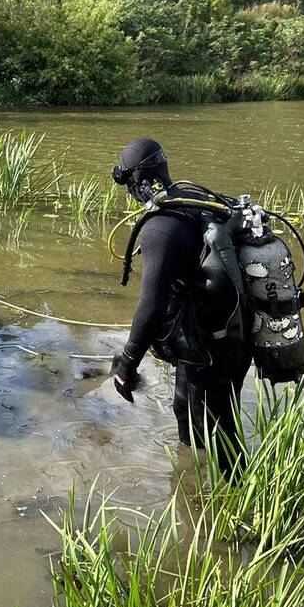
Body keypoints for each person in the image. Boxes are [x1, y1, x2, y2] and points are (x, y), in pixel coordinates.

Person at [109, 138, 252, 458]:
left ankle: (248, 502)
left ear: (136, 183)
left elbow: (151, 305)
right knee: (184, 410)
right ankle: (192, 488)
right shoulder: (195, 198)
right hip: (214, 339)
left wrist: (128, 362)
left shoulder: (158, 226)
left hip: (218, 344)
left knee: (219, 436)